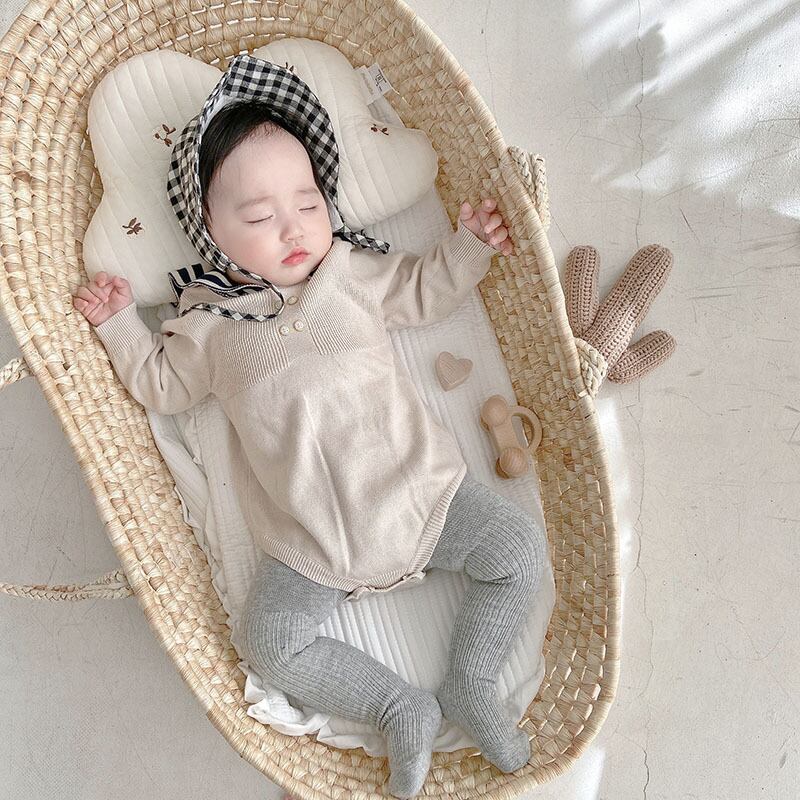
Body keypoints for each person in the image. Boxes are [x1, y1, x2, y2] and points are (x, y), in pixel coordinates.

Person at [72, 54, 547, 799]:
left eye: (309, 203)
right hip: (311, 544)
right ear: (210, 232)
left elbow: (424, 289)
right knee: (266, 644)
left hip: (423, 497)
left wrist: (470, 246)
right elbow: (162, 386)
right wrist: (121, 325)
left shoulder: (350, 274)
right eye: (261, 218)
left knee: (518, 550)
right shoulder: (207, 325)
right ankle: (397, 706)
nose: (293, 228)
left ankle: (471, 679)